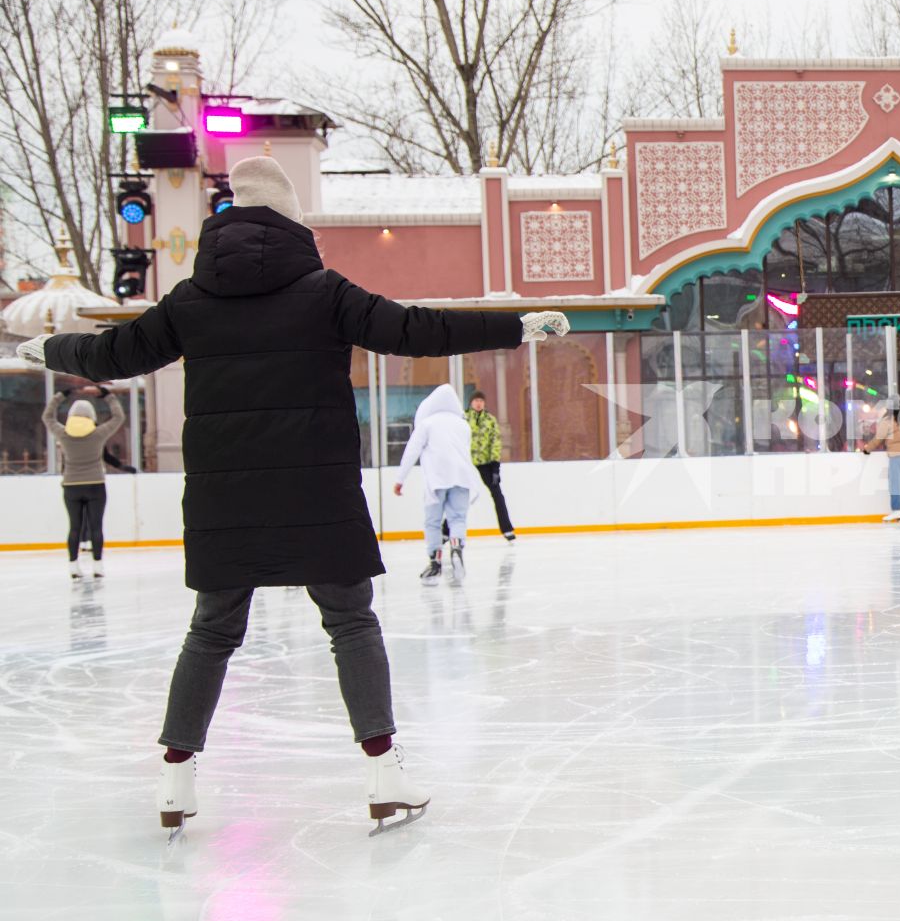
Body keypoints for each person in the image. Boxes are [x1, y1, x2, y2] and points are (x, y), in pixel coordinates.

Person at [15, 155, 569, 837]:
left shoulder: (190, 301)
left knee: (212, 631)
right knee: (351, 624)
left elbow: (112, 357)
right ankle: (383, 773)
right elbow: (416, 329)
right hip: (317, 489)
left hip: (226, 499)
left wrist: (47, 348)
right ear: (291, 221)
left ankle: (175, 779)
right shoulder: (322, 291)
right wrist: (516, 327)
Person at [395, 384, 482, 584]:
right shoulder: (463, 425)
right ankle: (457, 546)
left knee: (433, 522)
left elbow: (412, 451)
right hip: (462, 477)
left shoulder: (427, 424)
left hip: (437, 478)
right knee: (458, 518)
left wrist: (400, 479)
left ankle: (435, 563)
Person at [42, 384, 125, 578]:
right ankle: (97, 566)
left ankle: (73, 566)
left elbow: (47, 417)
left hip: (71, 486)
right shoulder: (98, 434)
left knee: (75, 527)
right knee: (96, 526)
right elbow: (119, 417)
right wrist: (108, 395)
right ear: (91, 417)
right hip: (95, 484)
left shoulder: (63, 434)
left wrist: (60, 396)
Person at [466, 390, 516, 541]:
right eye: (476, 401)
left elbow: (496, 442)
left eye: (481, 400)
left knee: (498, 495)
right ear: (471, 403)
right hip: (467, 463)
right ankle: (446, 531)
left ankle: (507, 529)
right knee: (460, 496)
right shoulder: (464, 418)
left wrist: (495, 467)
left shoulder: (490, 420)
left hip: (486, 463)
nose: (479, 403)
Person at [859, 400, 900, 521]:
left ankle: (896, 510)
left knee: (895, 484)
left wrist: (867, 449)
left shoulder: (888, 420)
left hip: (896, 453)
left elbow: (879, 437)